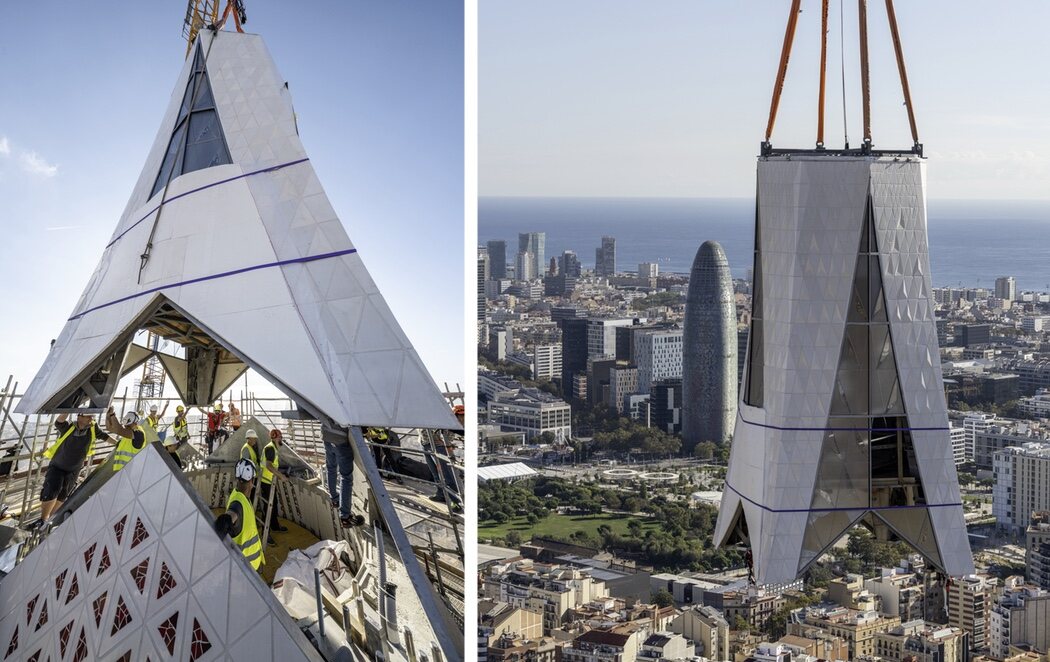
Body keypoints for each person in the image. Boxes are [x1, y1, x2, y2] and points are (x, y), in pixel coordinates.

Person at [36, 412, 101, 525]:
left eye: (92, 416)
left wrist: (117, 443)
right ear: (79, 417)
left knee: (63, 494)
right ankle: (43, 519)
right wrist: (68, 409)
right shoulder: (68, 428)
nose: (91, 418)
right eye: (88, 416)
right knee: (52, 489)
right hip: (58, 465)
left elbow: (104, 436)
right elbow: (59, 422)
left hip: (74, 469)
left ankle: (50, 520)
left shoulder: (93, 428)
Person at [214, 459, 264, 571]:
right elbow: (233, 513)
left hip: (249, 567)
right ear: (252, 480)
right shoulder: (238, 504)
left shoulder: (238, 495)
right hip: (245, 571)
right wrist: (226, 520)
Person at [323, 425, 361, 527]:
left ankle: (335, 499)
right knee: (346, 477)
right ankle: (345, 516)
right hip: (340, 440)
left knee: (331, 469)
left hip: (327, 436)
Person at [259, 429, 289, 542]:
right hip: (266, 482)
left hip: (270, 482)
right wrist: (281, 476)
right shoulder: (270, 448)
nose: (281, 439)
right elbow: (269, 466)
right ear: (275, 438)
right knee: (267, 509)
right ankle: (264, 534)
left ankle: (275, 526)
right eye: (280, 437)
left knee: (274, 505)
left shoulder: (273, 448)